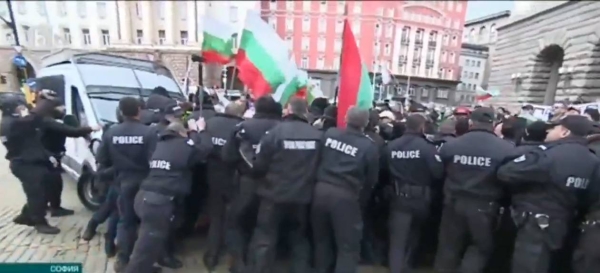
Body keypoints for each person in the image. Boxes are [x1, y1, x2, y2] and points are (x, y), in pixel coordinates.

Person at [498, 115, 600, 273]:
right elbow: (591, 196)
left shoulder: (548, 154)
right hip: (565, 222)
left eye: (554, 128)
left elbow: (506, 172)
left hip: (536, 222)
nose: (549, 131)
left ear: (565, 132)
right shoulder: (592, 159)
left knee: (527, 266)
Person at [434, 107, 515, 273]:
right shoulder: (506, 149)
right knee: (480, 248)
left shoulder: (452, 145)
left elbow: (438, 172)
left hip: (453, 203)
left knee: (448, 247)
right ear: (493, 123)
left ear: (471, 122)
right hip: (485, 206)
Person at [246, 98, 322, 273]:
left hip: (273, 194)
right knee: (299, 239)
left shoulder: (274, 133)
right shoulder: (318, 136)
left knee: (265, 238)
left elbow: (259, 166)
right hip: (302, 197)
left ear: (288, 110)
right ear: (306, 112)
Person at [125, 120, 212, 273]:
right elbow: (205, 148)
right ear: (181, 133)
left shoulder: (160, 144)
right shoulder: (182, 146)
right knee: (145, 245)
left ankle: (145, 267)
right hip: (158, 201)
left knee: (153, 239)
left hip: (145, 196)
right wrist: (200, 130)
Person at [311, 106, 379, 273]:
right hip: (346, 196)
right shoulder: (369, 147)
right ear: (366, 123)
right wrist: (360, 200)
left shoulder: (330, 134)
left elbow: (317, 160)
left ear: (346, 118)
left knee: (321, 241)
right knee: (348, 247)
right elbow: (371, 180)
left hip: (320, 191)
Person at [96, 97, 159, 272]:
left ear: (121, 112)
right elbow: (154, 160)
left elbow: (102, 159)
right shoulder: (149, 133)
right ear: (139, 110)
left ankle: (123, 260)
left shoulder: (111, 132)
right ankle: (143, 263)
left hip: (122, 182)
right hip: (145, 183)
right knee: (147, 224)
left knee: (126, 221)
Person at [222, 95, 282, 272]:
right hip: (274, 184)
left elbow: (227, 157)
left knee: (236, 223)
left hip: (246, 183)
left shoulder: (241, 128)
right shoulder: (283, 130)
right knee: (266, 228)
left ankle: (239, 263)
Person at [385, 114, 444, 272]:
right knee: (414, 236)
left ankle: (396, 269)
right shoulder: (428, 147)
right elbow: (438, 173)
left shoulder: (392, 146)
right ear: (422, 127)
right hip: (421, 198)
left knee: (397, 240)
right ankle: (407, 266)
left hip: (399, 196)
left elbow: (384, 170)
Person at [2, 91, 64, 234]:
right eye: (19, 105)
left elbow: (33, 139)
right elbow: (32, 119)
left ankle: (26, 215)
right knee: (37, 194)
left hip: (32, 161)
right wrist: (45, 101)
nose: (23, 107)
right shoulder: (10, 123)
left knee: (46, 187)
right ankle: (39, 222)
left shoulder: (15, 121)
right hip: (24, 164)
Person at [202, 102, 246, 270]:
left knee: (216, 217)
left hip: (212, 176)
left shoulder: (211, 123)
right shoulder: (240, 128)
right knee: (235, 221)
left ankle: (211, 256)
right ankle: (235, 260)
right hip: (234, 178)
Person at [41, 102, 99, 217]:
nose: (63, 109)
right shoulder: (49, 122)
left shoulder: (49, 121)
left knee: (54, 184)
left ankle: (53, 207)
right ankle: (33, 212)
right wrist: (91, 128)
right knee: (50, 184)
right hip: (48, 157)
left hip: (52, 156)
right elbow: (72, 131)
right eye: (60, 107)